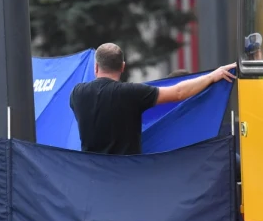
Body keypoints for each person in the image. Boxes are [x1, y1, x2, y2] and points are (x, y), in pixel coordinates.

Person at [69, 42, 235, 155]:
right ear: (122, 67)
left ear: (96, 67)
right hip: (126, 175)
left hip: (92, 175)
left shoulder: (77, 93)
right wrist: (213, 76)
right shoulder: (132, 93)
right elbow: (178, 93)